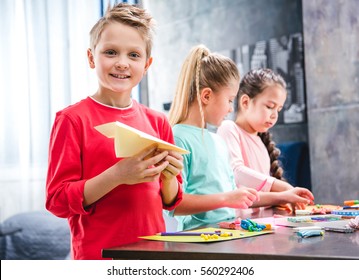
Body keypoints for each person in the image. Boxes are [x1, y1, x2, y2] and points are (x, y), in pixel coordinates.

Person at [45, 3, 183, 260]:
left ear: (147, 64)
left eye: (134, 55)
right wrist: (117, 175)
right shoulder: (72, 120)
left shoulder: (158, 122)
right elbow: (57, 201)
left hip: (154, 256)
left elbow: (170, 200)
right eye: (111, 52)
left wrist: (169, 177)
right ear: (91, 58)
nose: (122, 63)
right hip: (99, 258)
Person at [167, 45, 259, 231]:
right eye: (229, 100)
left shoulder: (217, 141)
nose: (231, 109)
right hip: (197, 243)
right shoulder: (178, 137)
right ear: (206, 96)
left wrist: (285, 195)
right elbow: (174, 205)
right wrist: (227, 199)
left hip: (226, 235)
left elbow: (235, 195)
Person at [217, 68, 314, 213]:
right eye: (270, 107)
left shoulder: (261, 143)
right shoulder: (228, 128)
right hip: (238, 228)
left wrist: (285, 199)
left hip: (262, 226)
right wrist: (284, 189)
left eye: (279, 110)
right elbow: (237, 172)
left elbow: (261, 197)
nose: (275, 115)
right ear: (245, 102)